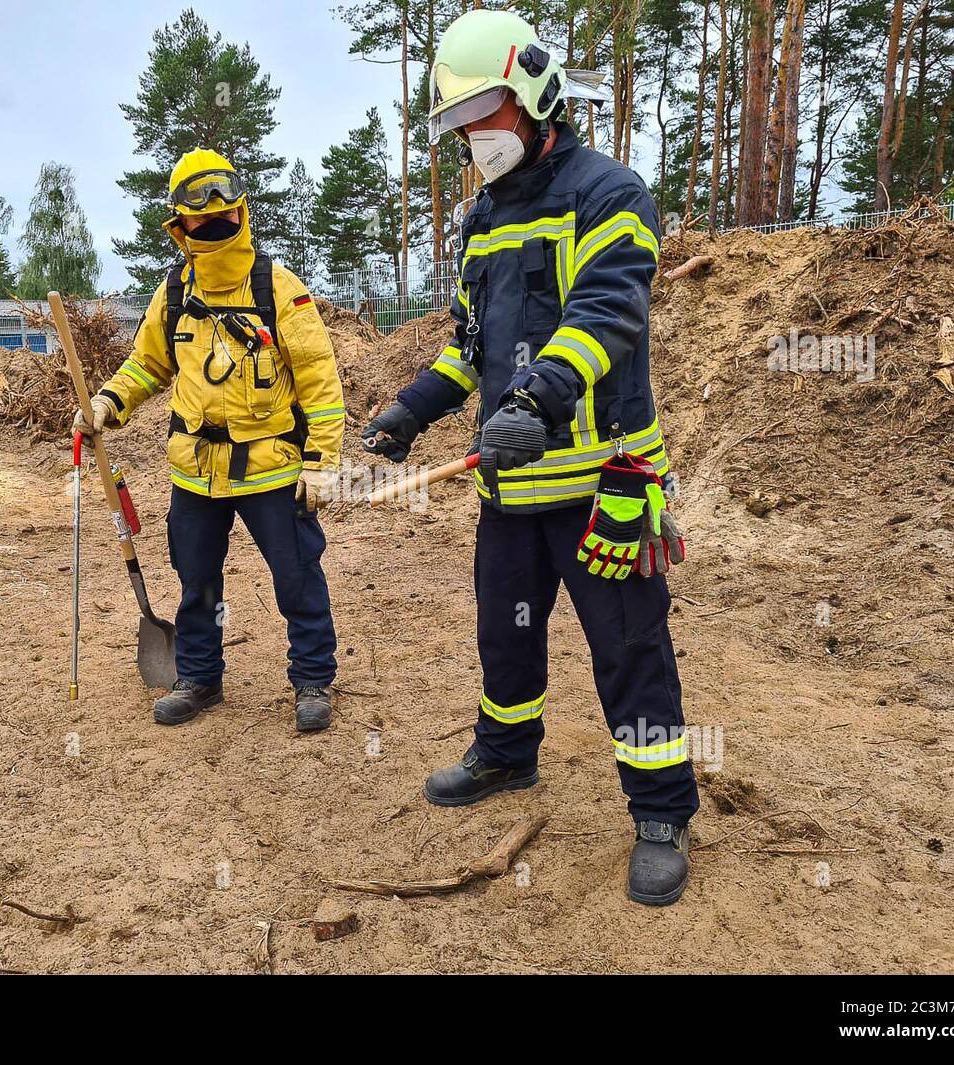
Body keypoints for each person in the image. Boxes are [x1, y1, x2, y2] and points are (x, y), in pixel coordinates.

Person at [362, 9, 699, 905]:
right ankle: (508, 754)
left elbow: (610, 315)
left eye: (486, 115)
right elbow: (469, 346)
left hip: (604, 483)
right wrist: (409, 410)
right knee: (503, 638)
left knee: (629, 648)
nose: (475, 139)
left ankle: (662, 808)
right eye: (460, 126)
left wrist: (535, 399)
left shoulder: (610, 194)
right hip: (511, 487)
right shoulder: (480, 219)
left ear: (535, 93)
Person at [75, 148, 345, 733]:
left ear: (242, 209)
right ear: (180, 223)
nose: (212, 216)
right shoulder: (173, 294)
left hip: (273, 467)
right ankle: (199, 678)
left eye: (223, 205)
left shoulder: (280, 288)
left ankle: (313, 680)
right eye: (198, 210)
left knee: (297, 575)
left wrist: (322, 461)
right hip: (195, 471)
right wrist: (107, 404)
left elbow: (320, 380)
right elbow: (148, 365)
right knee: (195, 580)